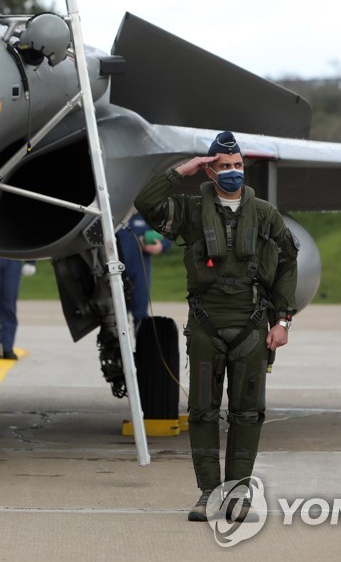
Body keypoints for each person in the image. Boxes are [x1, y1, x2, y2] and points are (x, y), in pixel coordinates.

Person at [135, 131, 298, 522]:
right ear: (210, 172)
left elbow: (288, 260)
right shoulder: (191, 211)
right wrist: (182, 170)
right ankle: (208, 492)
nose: (233, 172)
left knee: (247, 413)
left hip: (252, 326)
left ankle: (239, 493)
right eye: (224, 166)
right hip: (206, 325)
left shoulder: (265, 214)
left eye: (238, 165)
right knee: (203, 412)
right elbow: (146, 203)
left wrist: (283, 319)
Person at [116, 212, 171, 329]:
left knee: (141, 315)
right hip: (116, 274)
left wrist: (161, 246)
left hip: (140, 274)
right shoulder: (114, 217)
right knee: (117, 317)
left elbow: (168, 235)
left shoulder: (147, 216)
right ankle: (117, 347)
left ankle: (142, 346)